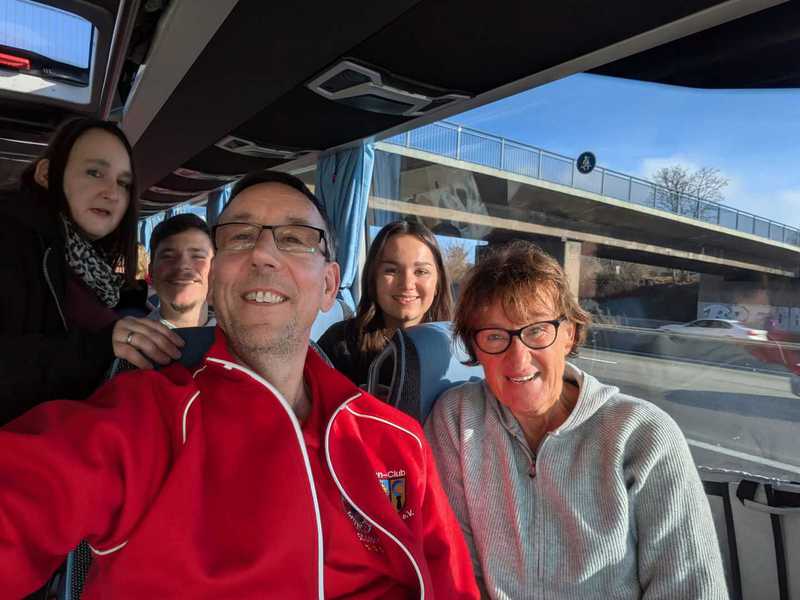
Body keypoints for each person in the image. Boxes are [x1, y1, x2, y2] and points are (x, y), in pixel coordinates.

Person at [0, 170, 479, 599]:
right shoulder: (142, 420)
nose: (263, 254)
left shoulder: (397, 439)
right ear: (214, 280)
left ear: (329, 285)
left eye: (294, 238)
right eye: (239, 237)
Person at [425, 241, 728, 599]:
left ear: (568, 334)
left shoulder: (644, 436)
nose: (518, 359)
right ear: (475, 348)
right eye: (494, 336)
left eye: (536, 330)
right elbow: (456, 572)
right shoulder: (457, 420)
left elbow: (691, 588)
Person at [0, 117, 184, 424]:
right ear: (46, 174)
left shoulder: (85, 263)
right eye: (94, 172)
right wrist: (99, 349)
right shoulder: (9, 236)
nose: (112, 193)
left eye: (123, 183)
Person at [318, 220, 453, 387]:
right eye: (391, 270)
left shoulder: (459, 350)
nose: (407, 284)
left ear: (438, 283)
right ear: (373, 278)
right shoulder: (340, 344)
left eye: (421, 271)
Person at [147, 213, 216, 328]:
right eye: (168, 257)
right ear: (151, 272)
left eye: (197, 256)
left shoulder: (238, 337)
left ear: (215, 271)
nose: (182, 265)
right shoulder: (124, 338)